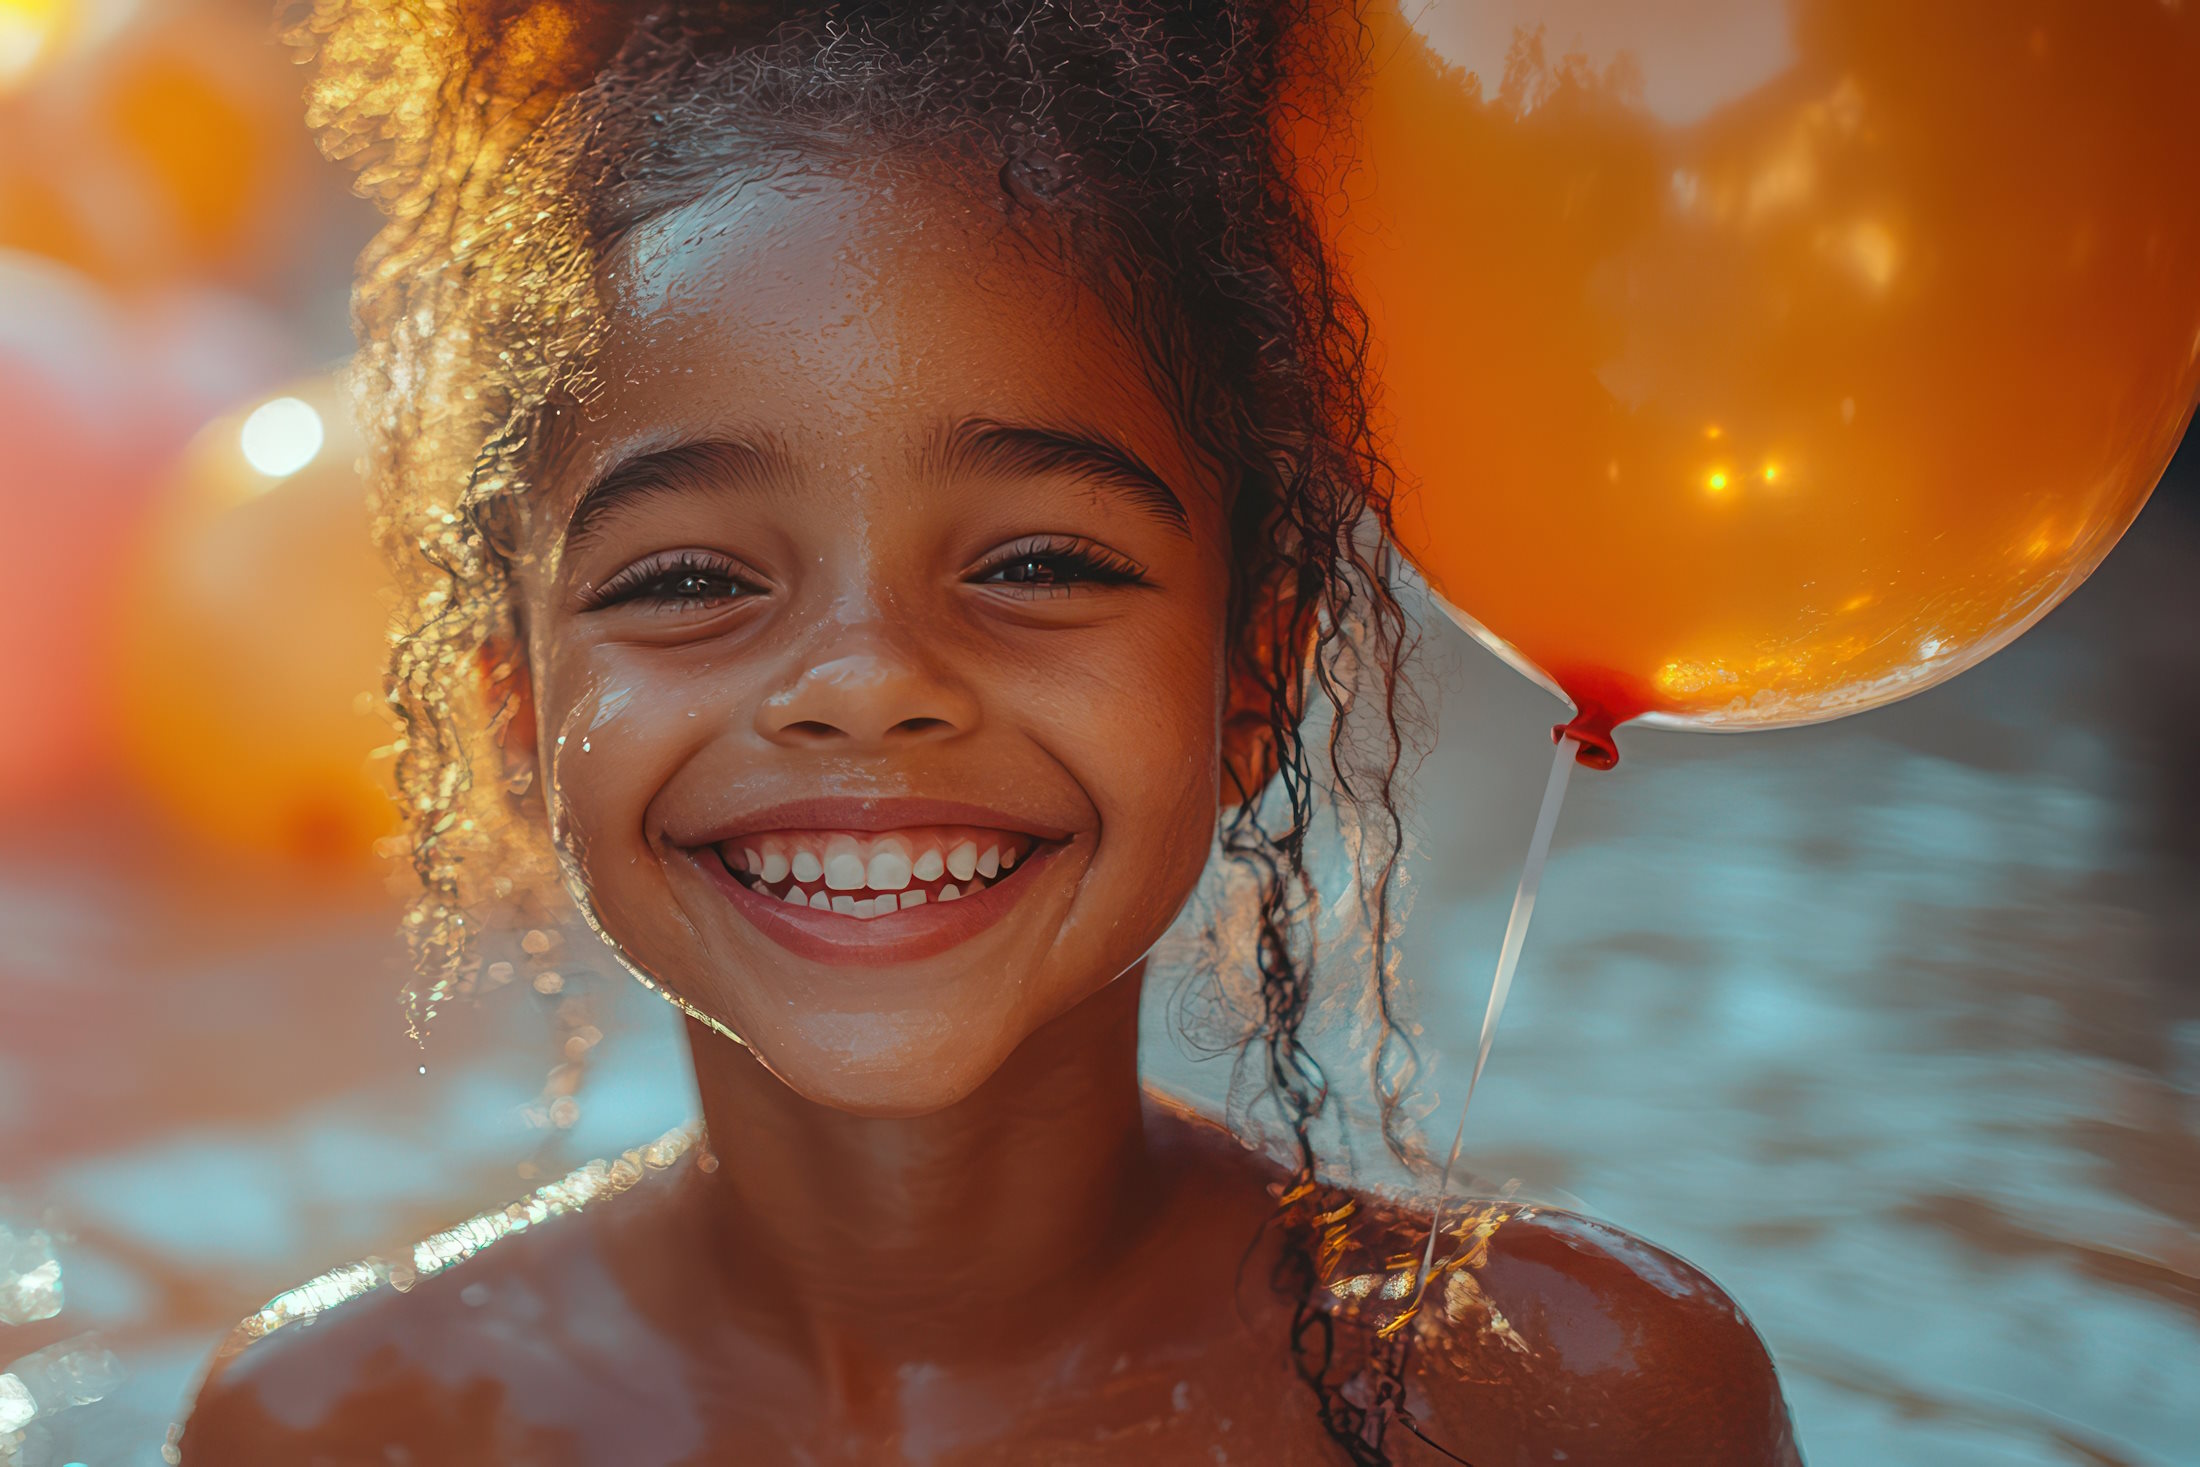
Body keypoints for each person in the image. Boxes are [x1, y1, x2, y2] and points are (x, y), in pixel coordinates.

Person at [180, 2, 1801, 1461]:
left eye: (1037, 564)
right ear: (518, 718)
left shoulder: (1560, 1404)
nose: (867, 677)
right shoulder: (342, 1430)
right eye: (689, 581)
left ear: (1254, 671)